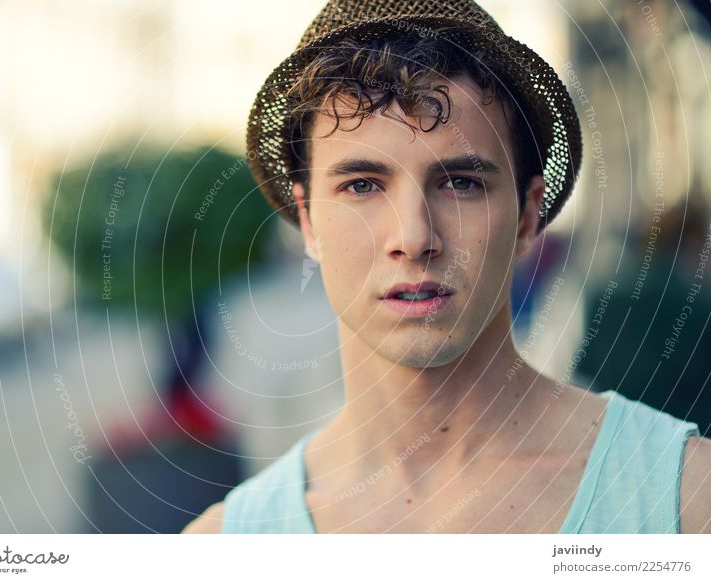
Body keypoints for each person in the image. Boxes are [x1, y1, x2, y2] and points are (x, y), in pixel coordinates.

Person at [183, 0, 711, 533]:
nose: (413, 238)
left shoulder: (687, 500)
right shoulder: (225, 547)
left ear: (528, 215)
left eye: (461, 183)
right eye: (362, 186)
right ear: (309, 221)